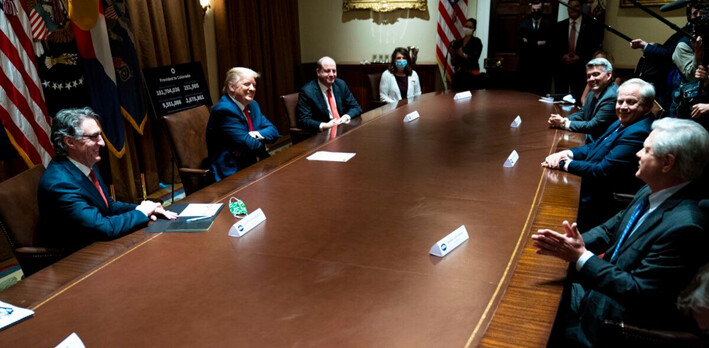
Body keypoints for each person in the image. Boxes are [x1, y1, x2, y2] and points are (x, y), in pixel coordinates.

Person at [533, 117, 709, 347]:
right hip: (599, 289)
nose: (637, 154)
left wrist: (580, 256)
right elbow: (609, 229)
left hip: (611, 323)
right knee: (537, 286)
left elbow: (639, 291)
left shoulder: (686, 226)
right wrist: (565, 244)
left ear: (667, 163)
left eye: (646, 150)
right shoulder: (652, 189)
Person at [38, 107, 177, 253]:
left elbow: (107, 206)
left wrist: (144, 209)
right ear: (70, 142)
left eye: (100, 135)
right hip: (77, 258)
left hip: (100, 244)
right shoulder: (60, 184)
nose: (102, 143)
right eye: (93, 137)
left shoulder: (84, 162)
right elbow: (103, 227)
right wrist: (142, 213)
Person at [542, 78, 654, 231]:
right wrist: (568, 153)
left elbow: (602, 170)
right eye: (620, 102)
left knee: (546, 203)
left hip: (600, 198)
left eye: (631, 102)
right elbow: (595, 146)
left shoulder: (638, 132)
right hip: (590, 183)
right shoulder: (624, 122)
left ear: (647, 106)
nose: (623, 107)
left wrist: (564, 164)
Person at [206, 67, 280, 182]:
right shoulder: (224, 110)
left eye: (254, 85)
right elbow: (248, 144)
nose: (252, 89)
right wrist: (260, 143)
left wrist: (253, 134)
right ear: (231, 87)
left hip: (252, 163)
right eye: (247, 84)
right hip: (231, 171)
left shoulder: (253, 105)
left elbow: (274, 131)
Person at [548, 58, 618, 144]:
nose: (591, 79)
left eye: (596, 74)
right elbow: (583, 113)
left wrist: (563, 123)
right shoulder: (594, 91)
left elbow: (594, 126)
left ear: (608, 75)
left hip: (602, 144)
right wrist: (562, 119)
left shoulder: (611, 96)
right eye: (589, 76)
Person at [296, 56, 362, 134]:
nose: (331, 74)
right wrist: (324, 126)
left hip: (342, 129)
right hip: (322, 134)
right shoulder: (307, 91)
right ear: (318, 72)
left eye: (334, 71)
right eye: (327, 71)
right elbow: (303, 120)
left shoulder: (340, 84)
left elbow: (356, 107)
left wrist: (345, 117)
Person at [554, 0, 604, 102]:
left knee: (579, 99)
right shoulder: (559, 26)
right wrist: (563, 56)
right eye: (570, 7)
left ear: (581, 8)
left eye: (576, 6)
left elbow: (594, 47)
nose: (573, 9)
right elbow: (554, 47)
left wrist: (580, 57)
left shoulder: (591, 25)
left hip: (581, 69)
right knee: (560, 100)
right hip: (562, 69)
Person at [517, 0, 554, 95]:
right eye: (533, 10)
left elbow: (550, 44)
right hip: (527, 65)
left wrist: (530, 42)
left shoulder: (549, 25)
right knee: (526, 94)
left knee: (541, 94)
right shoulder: (523, 25)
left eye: (538, 10)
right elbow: (521, 45)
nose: (535, 12)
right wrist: (539, 43)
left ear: (542, 10)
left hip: (543, 66)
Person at [448, 18, 485, 91]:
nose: (467, 28)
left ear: (474, 29)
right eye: (466, 26)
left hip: (472, 76)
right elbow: (454, 63)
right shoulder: (459, 42)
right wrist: (452, 54)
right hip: (459, 76)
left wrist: (462, 54)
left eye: (470, 27)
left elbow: (474, 58)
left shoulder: (476, 42)